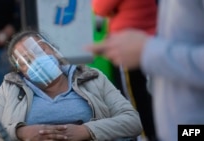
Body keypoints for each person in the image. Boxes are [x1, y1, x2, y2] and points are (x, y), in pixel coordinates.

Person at [0, 30, 142, 141]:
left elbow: (132, 121)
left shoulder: (92, 78)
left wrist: (87, 131)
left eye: (40, 50)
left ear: (54, 50)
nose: (36, 60)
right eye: (26, 60)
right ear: (20, 71)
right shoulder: (11, 88)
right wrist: (21, 133)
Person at [86, 0, 204, 141]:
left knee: (134, 100)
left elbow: (100, 7)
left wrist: (146, 51)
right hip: (178, 128)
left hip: (192, 128)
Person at [92, 0, 157, 140]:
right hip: (150, 40)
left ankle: (145, 136)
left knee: (133, 96)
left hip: (128, 47)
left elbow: (99, 8)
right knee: (148, 93)